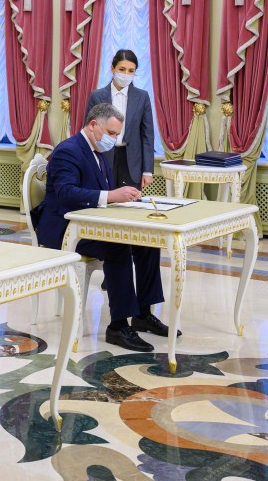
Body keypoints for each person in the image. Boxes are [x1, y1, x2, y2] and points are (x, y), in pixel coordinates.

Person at [33, 103, 177, 353]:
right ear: (93, 125)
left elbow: (101, 193)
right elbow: (66, 193)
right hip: (65, 229)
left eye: (116, 134)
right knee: (117, 246)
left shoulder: (97, 151)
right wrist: (111, 195)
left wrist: (124, 198)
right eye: (111, 133)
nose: (114, 139)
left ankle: (143, 314)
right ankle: (118, 326)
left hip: (88, 224)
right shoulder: (68, 150)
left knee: (147, 243)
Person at [85, 49, 155, 189]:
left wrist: (147, 171)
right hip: (103, 158)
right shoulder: (96, 96)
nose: (126, 74)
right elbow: (88, 133)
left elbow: (147, 135)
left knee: (129, 202)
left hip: (132, 163)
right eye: (122, 69)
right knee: (104, 200)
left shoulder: (142, 97)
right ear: (113, 68)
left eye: (131, 71)